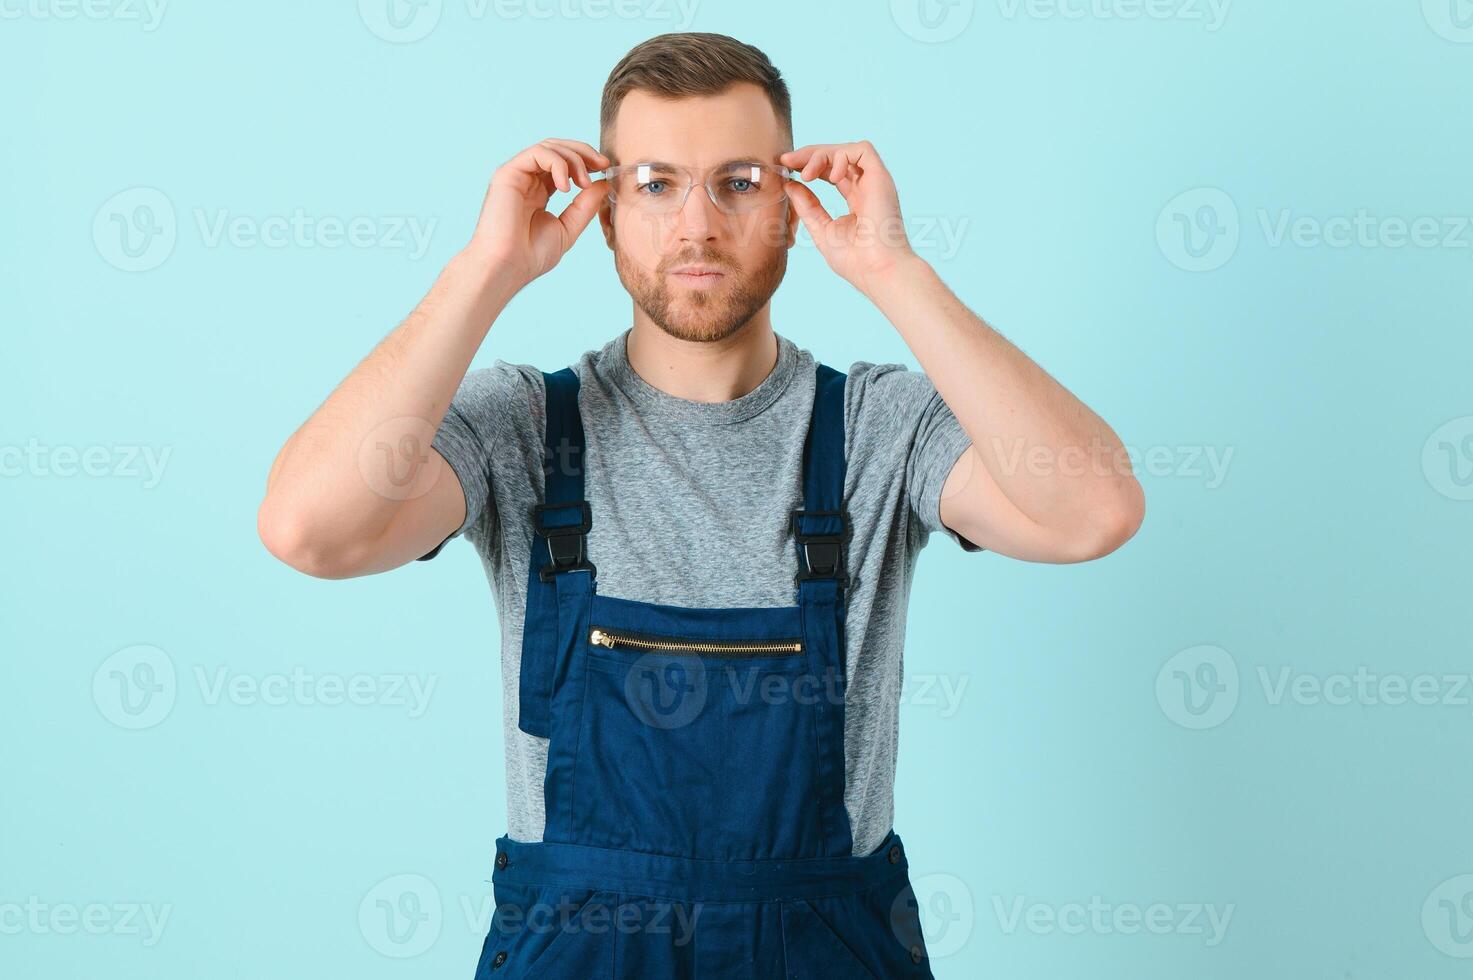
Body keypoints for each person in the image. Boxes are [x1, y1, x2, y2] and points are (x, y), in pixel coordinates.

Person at [258, 31, 1144, 980]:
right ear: (600, 214)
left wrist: (894, 269)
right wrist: (482, 272)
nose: (697, 226)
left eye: (738, 181)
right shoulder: (523, 427)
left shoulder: (883, 428)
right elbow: (309, 530)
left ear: (796, 208)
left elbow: (1091, 513)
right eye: (653, 183)